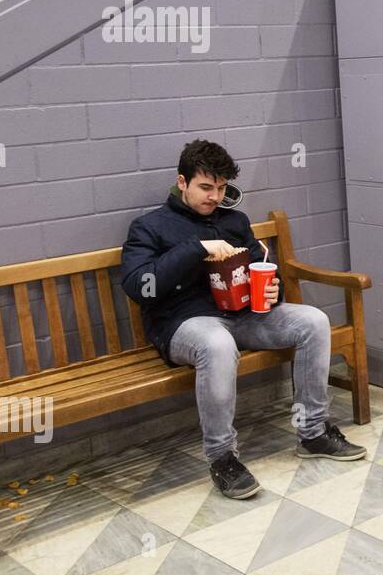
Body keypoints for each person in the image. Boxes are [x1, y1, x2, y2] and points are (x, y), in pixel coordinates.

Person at [120, 140, 366, 500]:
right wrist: (197, 248)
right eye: (206, 187)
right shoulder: (150, 227)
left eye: (221, 188)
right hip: (185, 323)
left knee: (313, 320)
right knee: (218, 345)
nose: (214, 197)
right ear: (182, 182)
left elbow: (262, 268)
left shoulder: (233, 222)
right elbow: (139, 287)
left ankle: (313, 433)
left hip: (244, 317)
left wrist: (272, 292)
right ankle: (223, 459)